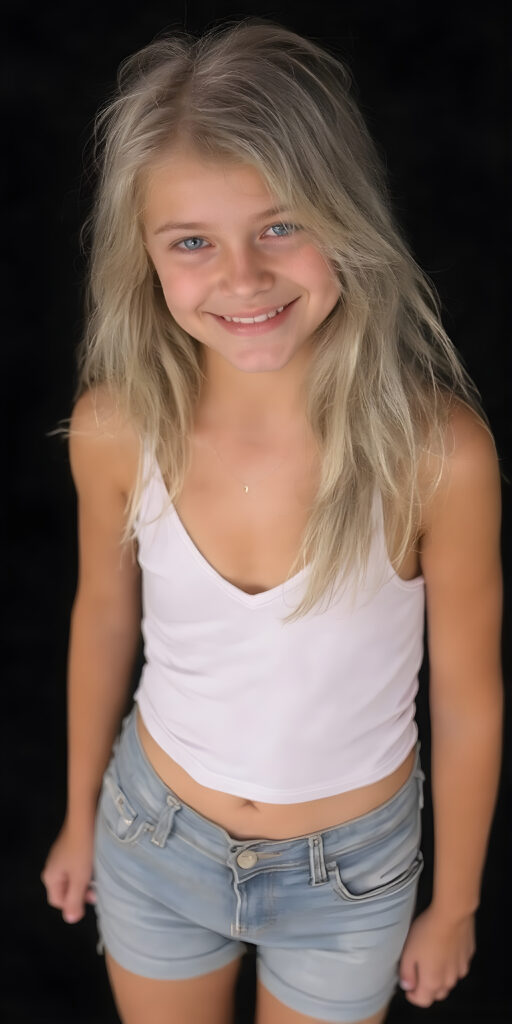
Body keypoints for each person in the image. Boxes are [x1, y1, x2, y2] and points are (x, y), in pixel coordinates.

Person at [41, 17, 503, 1024]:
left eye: (280, 226)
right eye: (194, 243)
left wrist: (455, 901)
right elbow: (102, 618)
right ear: (146, 257)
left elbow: (467, 697)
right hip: (153, 836)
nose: (242, 279)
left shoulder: (434, 454)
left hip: (350, 877)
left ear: (344, 219)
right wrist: (78, 815)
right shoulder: (117, 428)